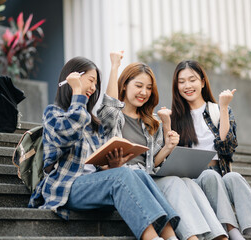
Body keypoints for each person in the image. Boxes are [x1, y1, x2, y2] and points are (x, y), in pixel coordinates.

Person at [28, 56, 180, 240]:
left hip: (94, 185)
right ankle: (152, 238)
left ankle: (170, 236)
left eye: (95, 84)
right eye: (90, 81)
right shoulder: (54, 113)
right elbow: (70, 131)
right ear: (72, 78)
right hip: (67, 187)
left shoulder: (94, 124)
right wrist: (77, 91)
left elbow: (99, 167)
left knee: (138, 173)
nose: (93, 88)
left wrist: (114, 165)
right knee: (124, 175)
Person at [97, 52, 228, 240]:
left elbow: (153, 163)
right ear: (124, 85)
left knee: (185, 182)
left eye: (149, 88)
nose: (144, 92)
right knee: (174, 182)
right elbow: (109, 105)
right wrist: (115, 66)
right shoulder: (114, 117)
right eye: (139, 86)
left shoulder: (151, 122)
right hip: (128, 178)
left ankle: (217, 236)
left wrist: (167, 147)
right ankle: (192, 238)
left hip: (148, 177)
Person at [169, 60, 251, 240]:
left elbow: (227, 149)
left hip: (220, 171)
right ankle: (233, 232)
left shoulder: (218, 110)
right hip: (196, 178)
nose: (187, 85)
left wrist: (224, 107)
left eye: (192, 80)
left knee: (234, 177)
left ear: (202, 82)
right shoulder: (174, 117)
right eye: (182, 81)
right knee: (210, 176)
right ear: (176, 86)